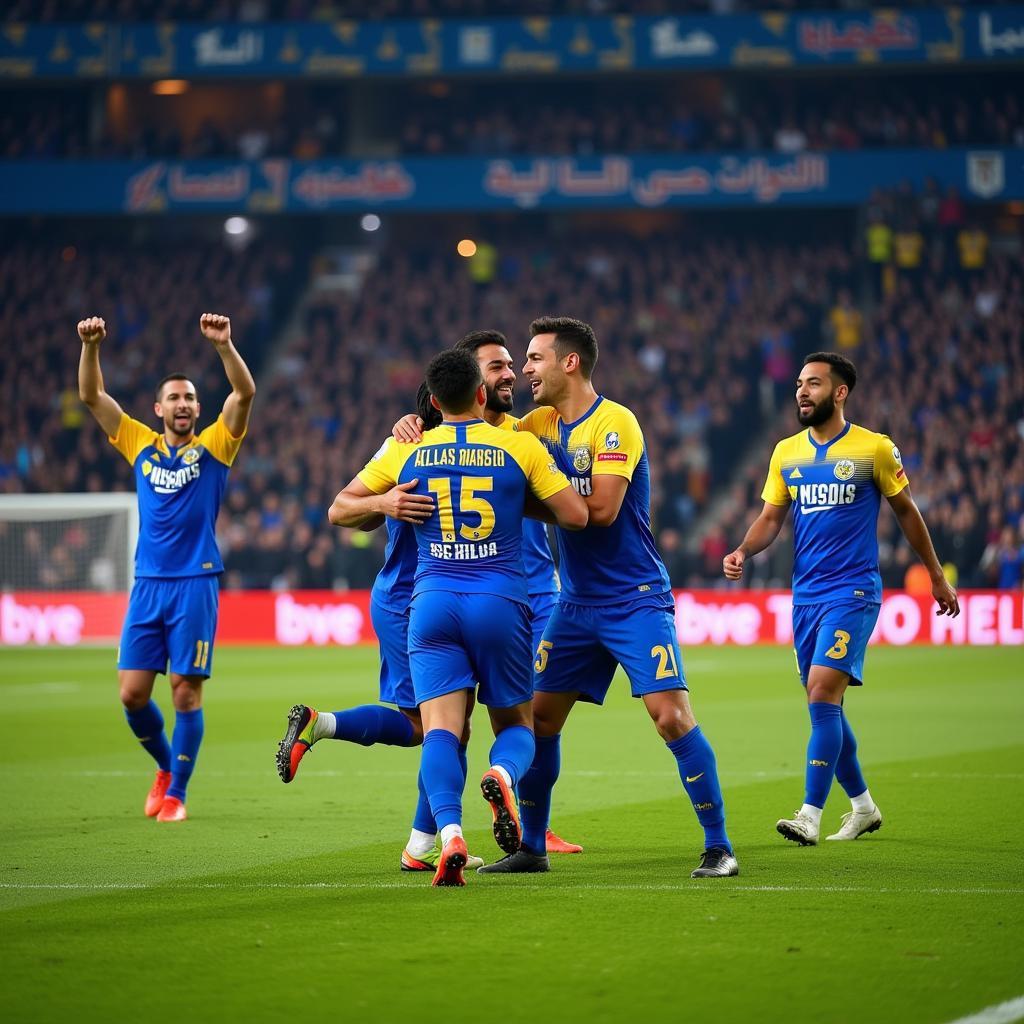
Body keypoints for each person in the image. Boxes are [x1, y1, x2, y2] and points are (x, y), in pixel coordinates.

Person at [401, 318, 737, 878]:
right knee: (538, 722)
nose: (524, 371)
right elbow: (469, 429)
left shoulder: (615, 425)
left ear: (569, 363)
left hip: (634, 598)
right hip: (574, 604)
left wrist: (520, 501)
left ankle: (719, 845)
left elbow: (599, 513)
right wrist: (415, 421)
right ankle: (531, 846)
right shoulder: (535, 425)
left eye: (533, 359)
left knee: (670, 717)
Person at [328, 348, 588, 886]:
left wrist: (384, 505)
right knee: (515, 724)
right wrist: (518, 496)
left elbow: (339, 509)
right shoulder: (520, 444)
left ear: (432, 402)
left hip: (432, 605)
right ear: (479, 395)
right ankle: (502, 775)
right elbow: (577, 516)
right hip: (501, 602)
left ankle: (448, 837)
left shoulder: (407, 449)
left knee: (441, 730)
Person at [723, 351, 959, 845]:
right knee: (823, 706)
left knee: (823, 693)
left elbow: (907, 512)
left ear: (840, 392)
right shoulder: (787, 452)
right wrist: (744, 549)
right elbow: (771, 518)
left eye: (813, 384)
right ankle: (864, 807)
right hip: (805, 596)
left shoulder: (874, 448)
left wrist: (935, 576)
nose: (802, 392)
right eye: (799, 386)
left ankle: (809, 814)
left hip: (852, 591)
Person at [76, 313, 255, 823]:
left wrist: (224, 346)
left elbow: (244, 393)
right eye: (174, 398)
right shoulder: (138, 444)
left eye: (190, 398)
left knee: (184, 689)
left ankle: (177, 794)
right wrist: (90, 348)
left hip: (195, 583)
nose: (184, 404)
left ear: (199, 408)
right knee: (132, 695)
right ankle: (164, 768)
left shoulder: (216, 447)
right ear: (159, 409)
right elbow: (92, 397)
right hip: (148, 584)